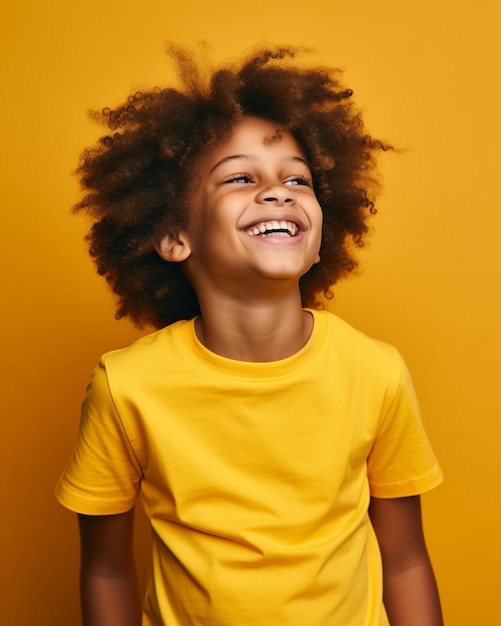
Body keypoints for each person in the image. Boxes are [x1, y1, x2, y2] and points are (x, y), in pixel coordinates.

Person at [56, 46, 444, 626]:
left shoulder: (375, 371)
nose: (279, 190)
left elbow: (406, 559)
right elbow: (106, 568)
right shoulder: (126, 387)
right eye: (240, 177)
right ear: (173, 235)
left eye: (298, 178)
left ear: (319, 237)